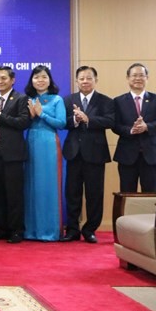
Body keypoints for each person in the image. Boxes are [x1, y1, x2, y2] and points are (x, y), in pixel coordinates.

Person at [61, 66, 114, 244]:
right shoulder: (68, 100)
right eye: (81, 78)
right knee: (72, 193)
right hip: (74, 153)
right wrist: (75, 119)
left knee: (94, 194)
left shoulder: (105, 101)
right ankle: (72, 229)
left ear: (95, 80)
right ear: (76, 81)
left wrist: (88, 118)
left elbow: (110, 121)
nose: (85, 81)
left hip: (95, 154)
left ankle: (90, 229)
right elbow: (63, 123)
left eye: (89, 78)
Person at [0, 66, 30, 244]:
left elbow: (23, 122)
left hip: (12, 154)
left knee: (14, 194)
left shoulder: (21, 99)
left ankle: (17, 230)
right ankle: (1, 229)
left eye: (3, 78)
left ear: (12, 80)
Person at [23, 65, 66, 241]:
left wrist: (41, 114)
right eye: (36, 77)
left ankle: (50, 231)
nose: (40, 80)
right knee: (31, 186)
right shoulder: (27, 100)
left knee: (47, 186)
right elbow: (21, 124)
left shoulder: (57, 100)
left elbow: (61, 123)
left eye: (44, 77)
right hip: (31, 142)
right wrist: (30, 116)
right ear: (31, 81)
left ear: (50, 80)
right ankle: (31, 230)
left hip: (48, 144)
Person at [113, 63, 156, 192]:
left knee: (151, 195)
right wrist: (130, 130)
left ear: (147, 78)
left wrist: (147, 127)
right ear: (127, 78)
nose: (138, 78)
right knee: (127, 195)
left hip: (152, 155)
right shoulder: (118, 101)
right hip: (127, 155)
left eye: (141, 75)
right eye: (134, 75)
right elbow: (115, 125)